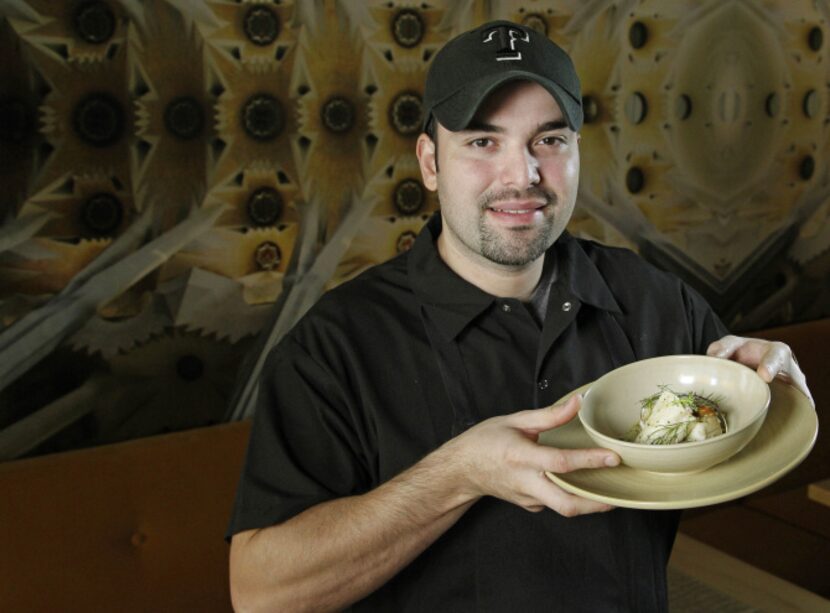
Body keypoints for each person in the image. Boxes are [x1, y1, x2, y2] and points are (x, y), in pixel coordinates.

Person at [227, 20, 813, 612]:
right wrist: (460, 474)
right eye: (483, 142)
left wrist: (769, 382)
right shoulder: (332, 347)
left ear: (578, 150)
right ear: (430, 163)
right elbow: (261, 595)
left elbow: (740, 444)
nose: (522, 175)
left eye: (549, 140)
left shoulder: (653, 300)